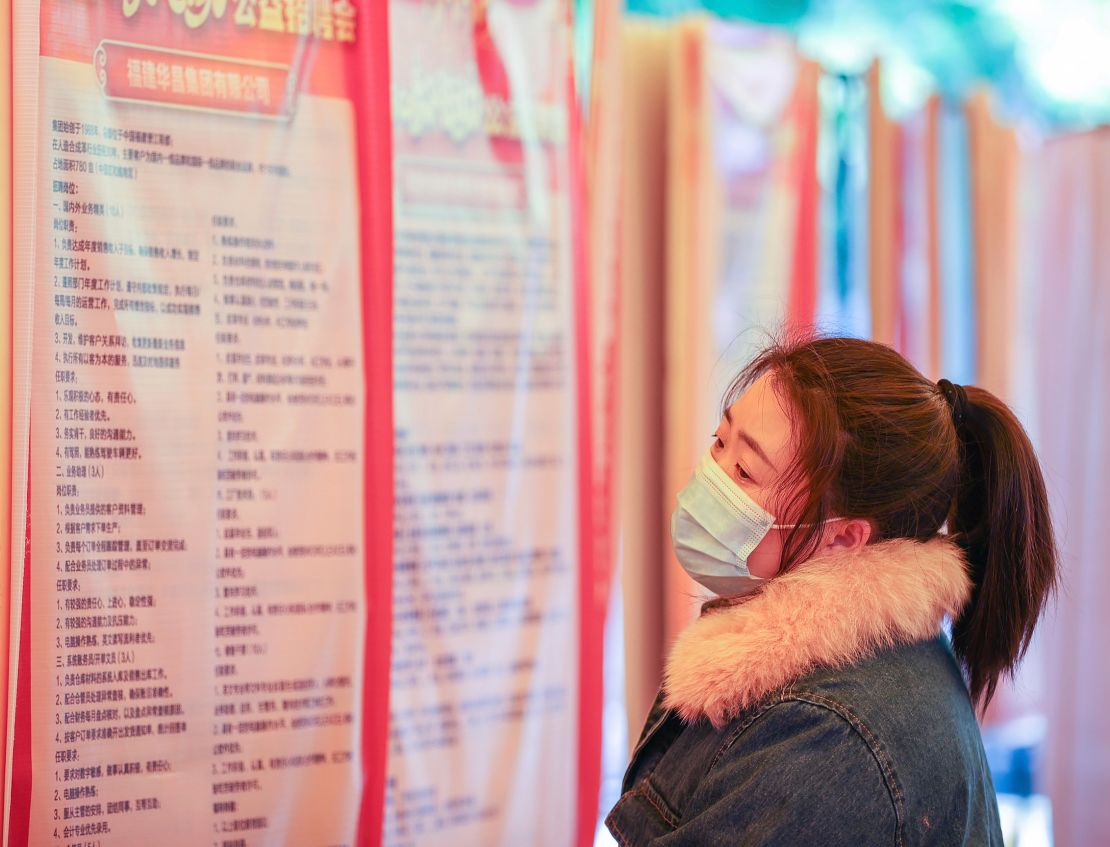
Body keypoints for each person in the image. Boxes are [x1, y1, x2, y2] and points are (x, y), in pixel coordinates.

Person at [605, 334, 1058, 846]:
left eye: (743, 471)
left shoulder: (826, 735)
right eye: (720, 440)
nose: (711, 476)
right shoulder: (878, 656)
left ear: (844, 537)